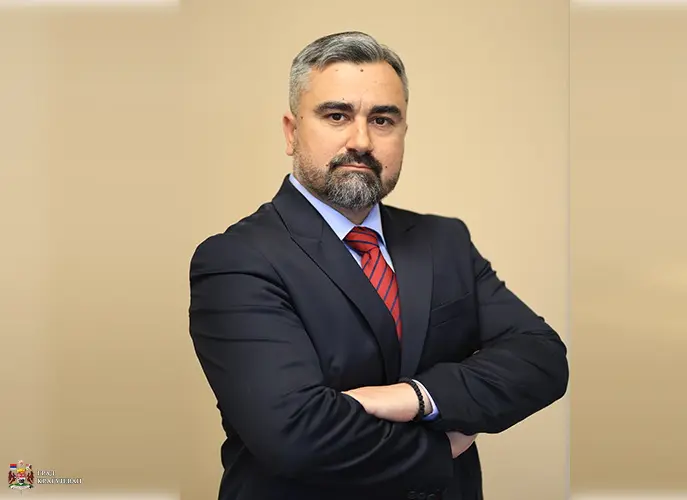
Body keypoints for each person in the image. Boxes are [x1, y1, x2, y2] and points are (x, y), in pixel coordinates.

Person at [188, 31, 569, 500]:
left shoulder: (445, 241)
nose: (362, 141)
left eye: (383, 120)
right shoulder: (236, 259)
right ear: (291, 132)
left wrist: (416, 396)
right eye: (336, 116)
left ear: (403, 133)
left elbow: (542, 359)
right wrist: (439, 448)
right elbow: (295, 433)